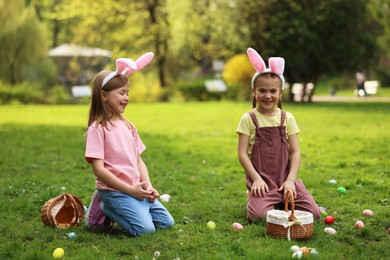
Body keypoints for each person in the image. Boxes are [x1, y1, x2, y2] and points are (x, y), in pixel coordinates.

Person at [84, 52, 174, 237]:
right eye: (121, 93)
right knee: (145, 230)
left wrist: (147, 187)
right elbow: (99, 170)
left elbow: (139, 161)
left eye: (127, 93)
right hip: (115, 191)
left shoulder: (128, 126)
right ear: (104, 95)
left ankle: (135, 207)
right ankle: (103, 204)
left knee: (166, 223)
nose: (126, 98)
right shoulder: (98, 129)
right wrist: (130, 191)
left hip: (136, 189)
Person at [236, 48, 321, 223]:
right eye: (262, 90)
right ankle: (256, 198)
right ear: (254, 91)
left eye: (273, 91)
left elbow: (295, 152)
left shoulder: (287, 118)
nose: (267, 96)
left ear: (280, 92)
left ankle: (281, 201)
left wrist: (290, 180)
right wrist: (256, 180)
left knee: (314, 214)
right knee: (259, 217)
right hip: (263, 183)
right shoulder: (248, 119)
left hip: (286, 181)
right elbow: (242, 154)